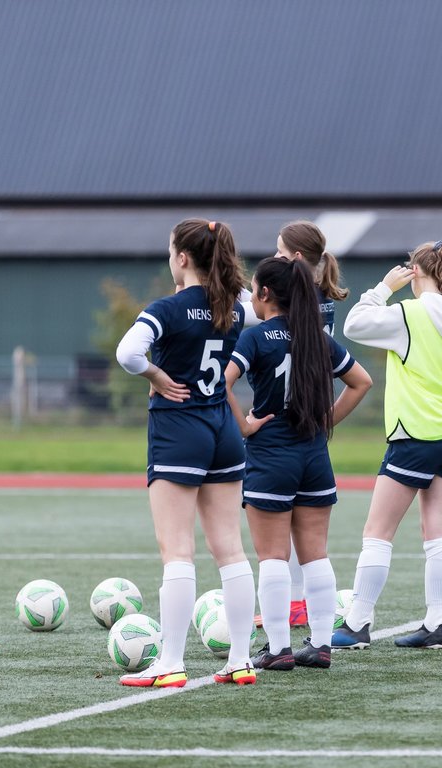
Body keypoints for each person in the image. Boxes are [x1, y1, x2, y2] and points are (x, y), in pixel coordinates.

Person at [114, 218, 258, 688]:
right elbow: (271, 317)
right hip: (223, 430)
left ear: (181, 259)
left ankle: (171, 662)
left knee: (177, 550)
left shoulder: (169, 308)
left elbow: (127, 354)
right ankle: (241, 660)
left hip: (180, 430)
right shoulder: (235, 308)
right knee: (231, 550)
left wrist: (155, 376)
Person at [332, 240, 442, 650]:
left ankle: (357, 624)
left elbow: (355, 326)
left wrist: (384, 288)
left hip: (415, 432)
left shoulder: (410, 313)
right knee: (437, 531)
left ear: (418, 271)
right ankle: (436, 624)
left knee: (378, 531)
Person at [224, 256, 372, 670]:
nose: (250, 298)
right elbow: (362, 382)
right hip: (313, 455)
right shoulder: (316, 337)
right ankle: (321, 645)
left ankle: (277, 649)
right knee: (315, 556)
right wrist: (327, 420)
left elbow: (222, 381)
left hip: (271, 456)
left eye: (252, 290)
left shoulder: (256, 339)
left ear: (266, 294)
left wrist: (244, 427)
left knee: (272, 557)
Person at [268, 221, 351, 628]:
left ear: (297, 259)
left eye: (281, 253)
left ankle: (295, 605)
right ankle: (303, 606)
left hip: (289, 420)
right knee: (309, 524)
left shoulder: (300, 299)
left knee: (287, 522)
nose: (276, 259)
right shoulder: (323, 296)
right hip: (314, 418)